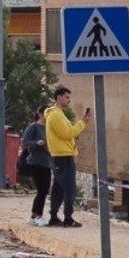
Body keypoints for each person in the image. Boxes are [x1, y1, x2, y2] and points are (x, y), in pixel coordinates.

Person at [42, 86, 91, 227]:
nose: (69, 100)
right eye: (66, 97)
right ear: (58, 97)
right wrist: (83, 122)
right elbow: (68, 133)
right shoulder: (56, 115)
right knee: (69, 188)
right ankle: (68, 218)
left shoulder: (58, 114)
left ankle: (54, 216)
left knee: (58, 187)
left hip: (61, 155)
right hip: (62, 156)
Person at [16, 115, 52, 225]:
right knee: (42, 190)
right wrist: (36, 143)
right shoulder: (33, 127)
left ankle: (33, 216)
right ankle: (39, 216)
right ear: (41, 114)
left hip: (46, 162)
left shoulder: (48, 127)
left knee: (43, 190)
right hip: (35, 162)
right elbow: (25, 142)